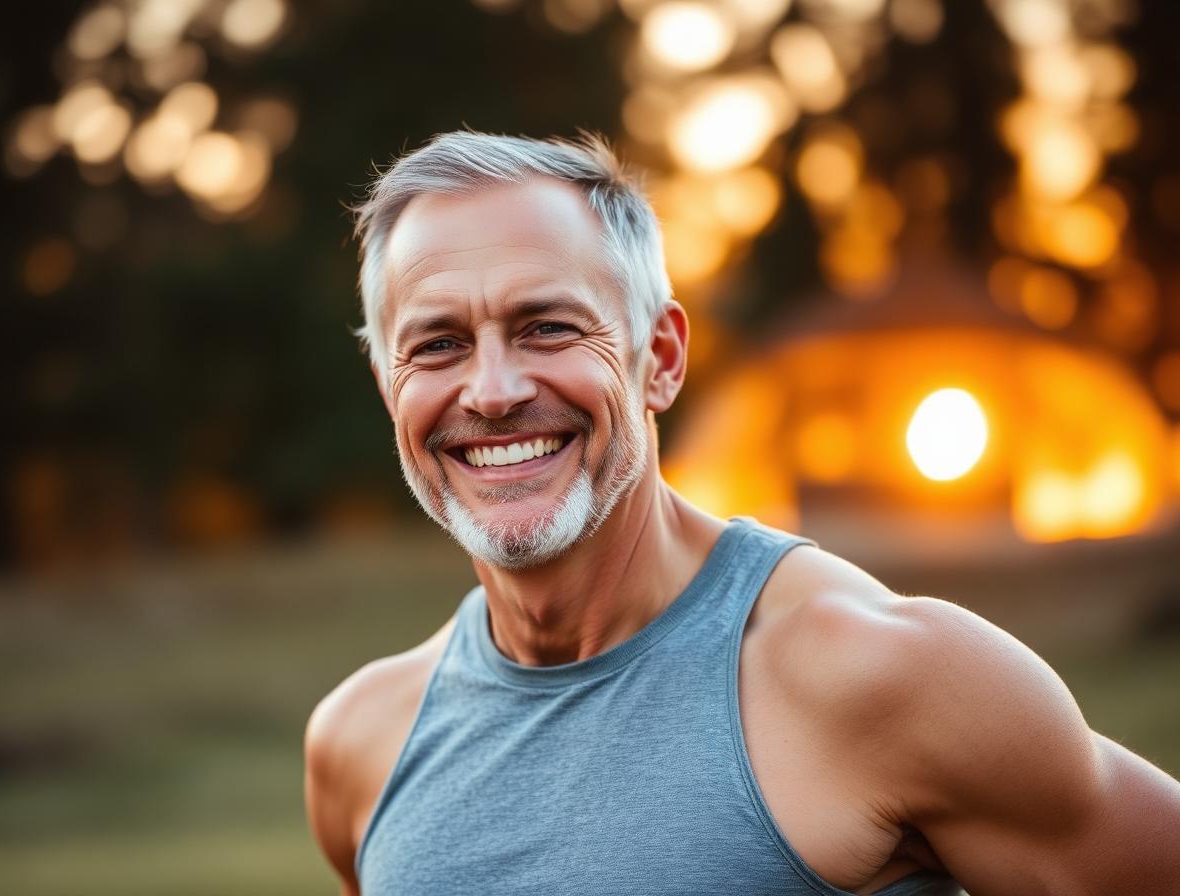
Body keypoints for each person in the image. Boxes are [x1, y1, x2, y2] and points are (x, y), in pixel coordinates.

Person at [304, 131, 1180, 896]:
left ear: (660, 358)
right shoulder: (360, 744)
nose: (492, 392)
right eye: (438, 345)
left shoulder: (886, 674)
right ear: (389, 388)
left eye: (548, 328)